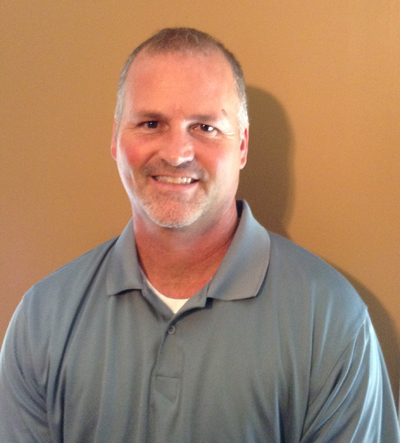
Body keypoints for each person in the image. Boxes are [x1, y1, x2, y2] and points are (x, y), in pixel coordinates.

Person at [0, 28, 398, 443]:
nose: (176, 154)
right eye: (151, 123)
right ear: (116, 139)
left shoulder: (331, 320)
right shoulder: (42, 319)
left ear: (242, 146)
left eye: (205, 127)